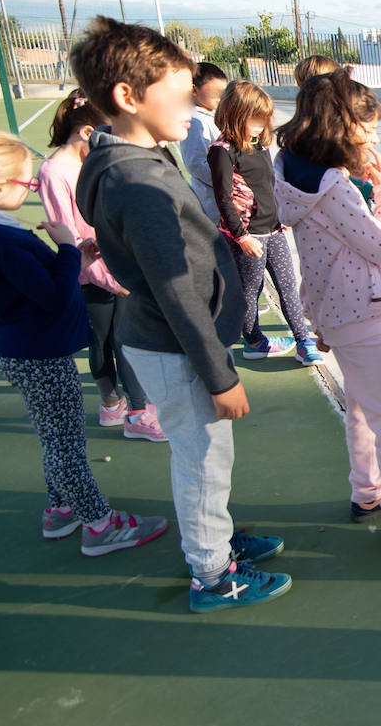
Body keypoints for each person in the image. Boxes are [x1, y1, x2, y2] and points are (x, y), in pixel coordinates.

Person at [72, 16, 291, 612]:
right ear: (128, 96)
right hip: (177, 346)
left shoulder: (131, 158)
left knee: (208, 457)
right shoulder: (138, 180)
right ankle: (213, 574)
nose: (195, 99)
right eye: (180, 87)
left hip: (169, 341)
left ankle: (214, 539)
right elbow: (175, 291)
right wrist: (219, 374)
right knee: (203, 461)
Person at [0, 126, 169, 555]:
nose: (31, 188)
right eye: (26, 183)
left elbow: (30, 283)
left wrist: (75, 256)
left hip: (23, 348)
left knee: (55, 436)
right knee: (66, 443)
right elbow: (50, 296)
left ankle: (61, 508)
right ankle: (100, 525)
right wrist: (68, 250)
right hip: (38, 353)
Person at [273, 70, 381, 560]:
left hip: (332, 307)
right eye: (362, 128)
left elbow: (317, 247)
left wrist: (315, 317)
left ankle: (368, 489)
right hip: (361, 310)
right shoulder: (335, 185)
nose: (368, 138)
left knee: (363, 407)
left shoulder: (289, 166)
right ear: (340, 126)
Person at [38, 90, 167, 442]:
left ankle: (132, 406)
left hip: (119, 267)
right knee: (103, 341)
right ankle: (125, 409)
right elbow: (69, 236)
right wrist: (111, 280)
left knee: (124, 338)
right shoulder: (53, 172)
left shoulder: (89, 163)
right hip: (94, 275)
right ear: (84, 132)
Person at [208, 80, 319, 363]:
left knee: (287, 285)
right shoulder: (221, 150)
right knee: (250, 291)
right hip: (248, 236)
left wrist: (283, 213)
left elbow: (269, 183)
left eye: (263, 120)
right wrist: (241, 236)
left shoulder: (258, 144)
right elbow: (223, 199)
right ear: (236, 114)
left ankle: (304, 341)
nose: (260, 126)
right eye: (254, 120)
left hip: (274, 229)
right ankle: (254, 340)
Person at [179, 62, 228, 224]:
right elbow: (195, 163)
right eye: (215, 93)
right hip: (214, 203)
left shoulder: (211, 114)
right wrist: (227, 182)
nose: (220, 98)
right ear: (193, 90)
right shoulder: (193, 121)